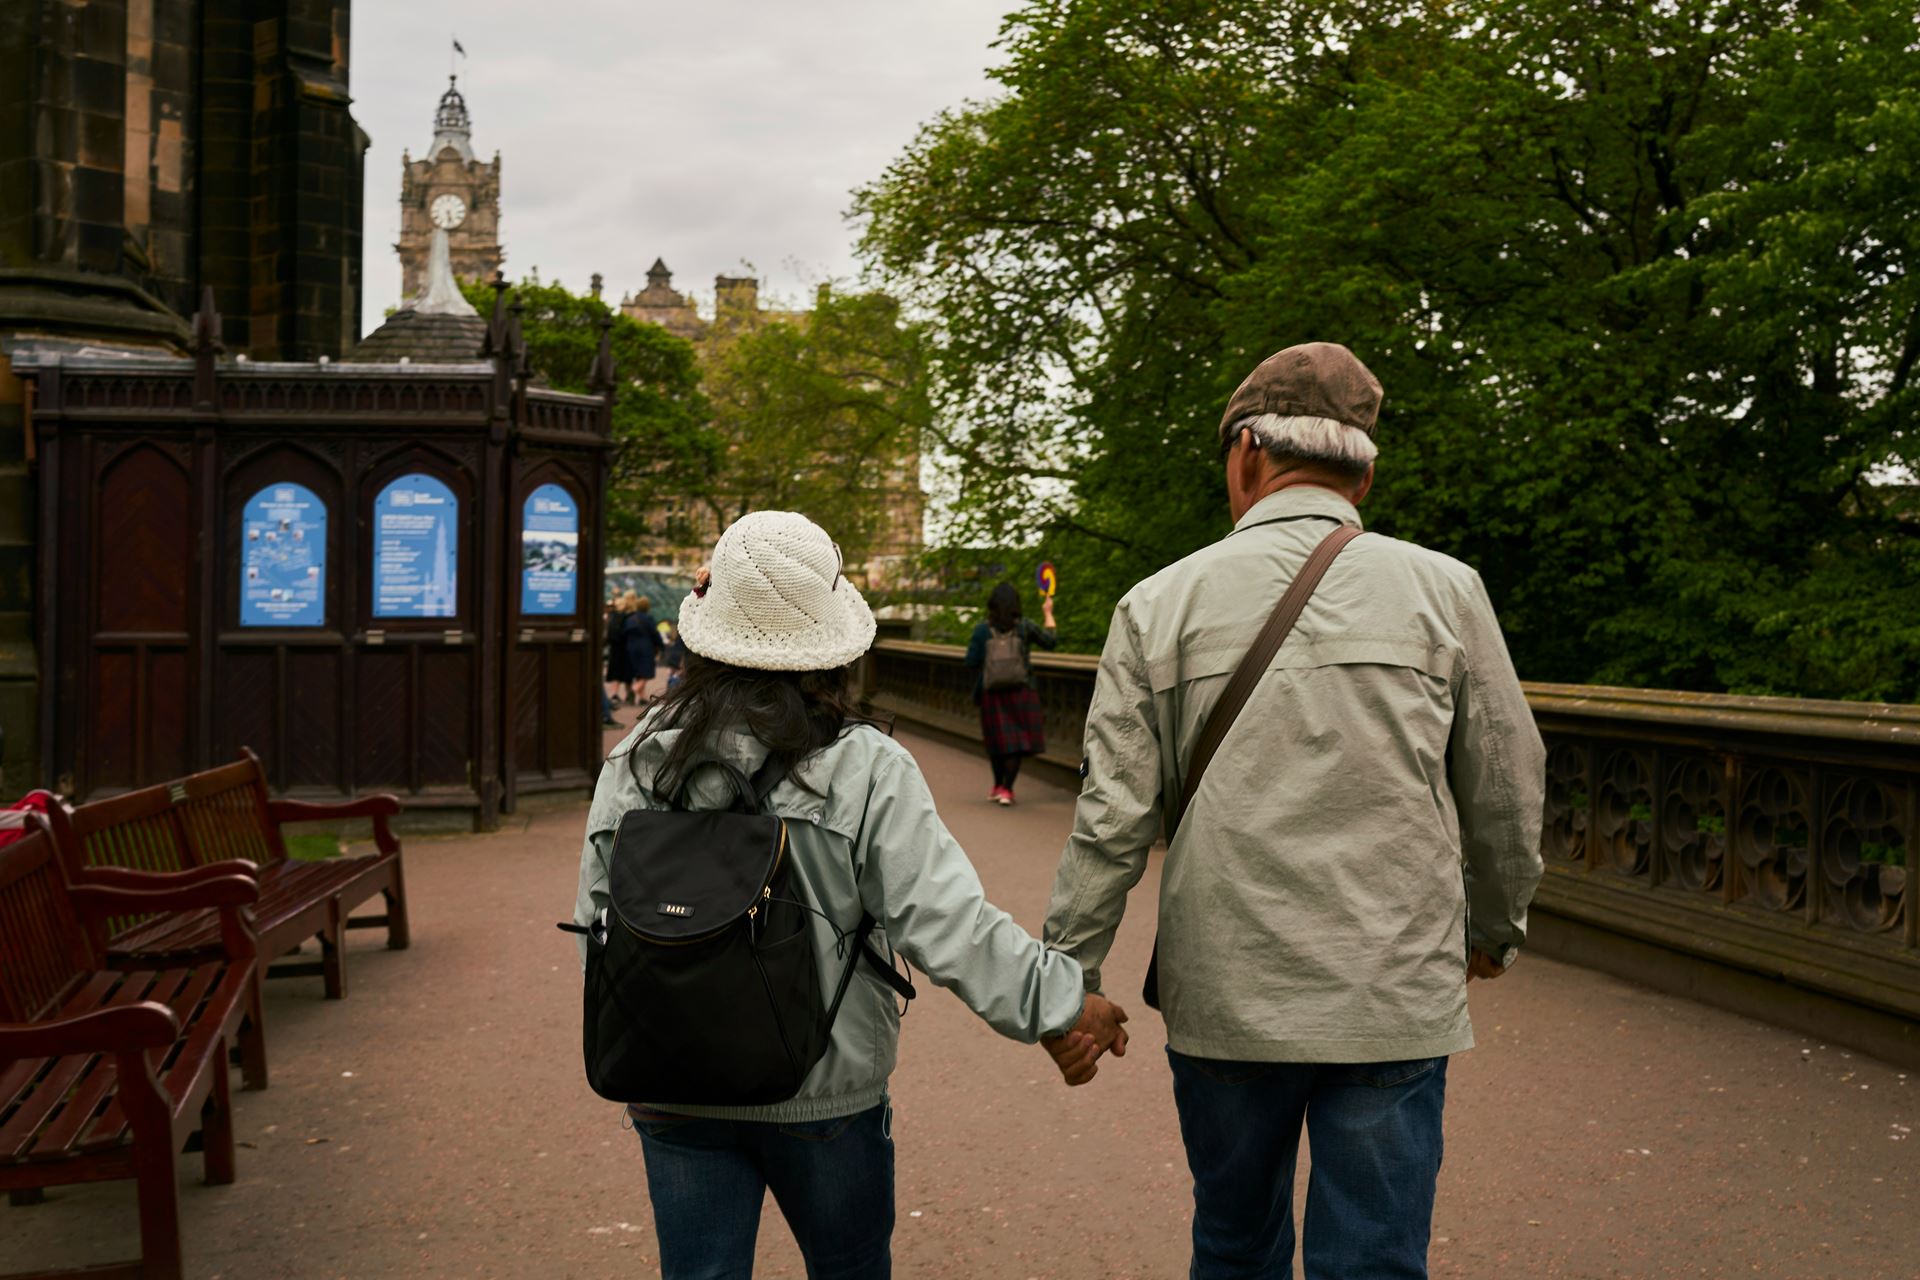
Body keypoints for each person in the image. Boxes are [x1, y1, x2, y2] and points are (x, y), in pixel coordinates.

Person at [1042, 342, 1546, 1279]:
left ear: (1245, 454)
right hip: (1393, 987)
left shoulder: (1158, 605)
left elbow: (1111, 821)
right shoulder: (1448, 591)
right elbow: (1511, 784)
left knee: (1235, 1246)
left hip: (1229, 990)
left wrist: (1068, 980)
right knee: (1377, 1261)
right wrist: (1493, 927)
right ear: (1363, 467)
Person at [572, 511, 1128, 1280]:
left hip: (672, 1083)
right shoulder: (863, 766)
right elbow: (949, 927)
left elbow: (600, 924)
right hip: (824, 1090)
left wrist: (660, 1030)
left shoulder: (637, 758)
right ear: (827, 645)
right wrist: (1064, 1006)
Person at [963, 582, 1057, 806]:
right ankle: (1007, 789)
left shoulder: (982, 630)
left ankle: (996, 786)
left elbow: (971, 662)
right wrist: (1048, 613)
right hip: (1022, 692)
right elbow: (1051, 642)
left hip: (992, 694)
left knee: (996, 742)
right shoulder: (1025, 627)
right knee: (1018, 742)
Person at [623, 592, 662, 703]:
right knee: (646, 672)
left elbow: (624, 633)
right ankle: (635, 688)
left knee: (638, 672)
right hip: (645, 647)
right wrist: (660, 646)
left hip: (631, 647)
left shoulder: (630, 619)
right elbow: (655, 634)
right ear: (647, 607)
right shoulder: (648, 618)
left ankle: (642, 698)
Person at [604, 596, 633, 708]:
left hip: (614, 648)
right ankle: (628, 693)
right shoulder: (625, 617)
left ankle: (614, 694)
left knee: (615, 671)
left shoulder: (612, 616)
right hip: (624, 647)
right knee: (626, 672)